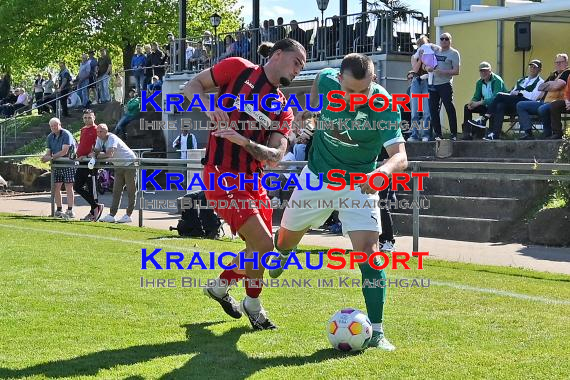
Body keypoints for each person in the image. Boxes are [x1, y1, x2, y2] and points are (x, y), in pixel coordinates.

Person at [272, 53, 408, 351]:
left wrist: (382, 172)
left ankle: (378, 332)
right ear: (339, 82)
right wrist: (312, 114)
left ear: (374, 80)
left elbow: (401, 156)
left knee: (369, 255)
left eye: (363, 91)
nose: (355, 98)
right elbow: (314, 95)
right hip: (317, 177)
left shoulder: (383, 106)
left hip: (359, 184)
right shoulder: (325, 79)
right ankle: (282, 249)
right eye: (349, 91)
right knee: (285, 239)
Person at [183, 38, 306, 330]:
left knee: (258, 248)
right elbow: (191, 87)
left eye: (302, 66)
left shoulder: (283, 109)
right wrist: (209, 108)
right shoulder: (238, 68)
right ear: (277, 55)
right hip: (220, 176)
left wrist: (243, 140)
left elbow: (276, 156)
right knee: (264, 245)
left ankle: (225, 289)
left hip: (253, 182)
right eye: (296, 62)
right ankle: (252, 304)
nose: (299, 69)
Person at [469, 60, 544, 141]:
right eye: (531, 67)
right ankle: (495, 134)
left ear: (540, 70)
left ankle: (484, 119)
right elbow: (513, 91)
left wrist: (520, 92)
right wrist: (514, 93)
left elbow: (534, 97)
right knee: (500, 105)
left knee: (499, 95)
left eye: (535, 68)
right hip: (515, 101)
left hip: (526, 103)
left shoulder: (540, 82)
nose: (532, 69)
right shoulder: (522, 80)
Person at [516, 53, 570, 139]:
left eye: (561, 62)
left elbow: (558, 86)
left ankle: (547, 133)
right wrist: (551, 83)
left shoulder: (567, 72)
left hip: (556, 101)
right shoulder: (554, 74)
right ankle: (528, 133)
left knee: (542, 109)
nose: (558, 64)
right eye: (556, 62)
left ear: (566, 63)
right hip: (543, 101)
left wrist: (550, 85)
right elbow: (540, 87)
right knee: (520, 105)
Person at [94, 124, 138, 224]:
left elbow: (109, 154)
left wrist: (96, 156)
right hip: (118, 165)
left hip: (129, 163)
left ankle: (128, 215)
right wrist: (95, 154)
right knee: (116, 191)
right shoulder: (99, 139)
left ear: (106, 131)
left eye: (101, 132)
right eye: (97, 132)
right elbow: (95, 151)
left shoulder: (112, 138)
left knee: (131, 190)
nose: (99, 134)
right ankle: (112, 215)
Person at [41, 117, 77, 219]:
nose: (54, 128)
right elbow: (48, 152)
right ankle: (59, 209)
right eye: (52, 126)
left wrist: (50, 157)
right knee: (56, 187)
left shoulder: (66, 134)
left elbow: (64, 151)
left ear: (60, 125)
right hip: (57, 164)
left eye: (55, 125)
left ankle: (70, 210)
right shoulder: (50, 137)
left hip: (68, 163)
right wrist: (46, 157)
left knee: (69, 186)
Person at [461, 61, 507, 140]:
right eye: (481, 71)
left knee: (497, 106)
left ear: (490, 71)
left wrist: (479, 103)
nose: (483, 73)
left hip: (499, 106)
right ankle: (467, 133)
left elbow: (496, 98)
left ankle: (492, 133)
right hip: (486, 105)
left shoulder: (497, 80)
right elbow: (477, 96)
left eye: (485, 71)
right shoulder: (479, 82)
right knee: (467, 107)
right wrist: (472, 103)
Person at [428, 32, 460, 140]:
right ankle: (437, 134)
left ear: (450, 40)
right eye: (442, 39)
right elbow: (428, 63)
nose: (444, 41)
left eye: (446, 39)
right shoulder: (436, 51)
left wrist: (443, 72)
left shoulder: (454, 53)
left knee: (449, 108)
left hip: (445, 84)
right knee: (433, 109)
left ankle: (454, 134)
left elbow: (456, 71)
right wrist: (428, 68)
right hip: (433, 84)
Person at [74, 109, 104, 221]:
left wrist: (87, 155)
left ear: (94, 118)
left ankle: (94, 211)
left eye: (89, 117)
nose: (87, 119)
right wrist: (78, 154)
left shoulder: (97, 130)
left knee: (92, 188)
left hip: (90, 163)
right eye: (85, 117)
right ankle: (95, 207)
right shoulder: (82, 129)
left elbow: (97, 147)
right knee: (77, 186)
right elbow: (82, 144)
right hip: (81, 162)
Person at [408, 35, 432, 142]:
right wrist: (420, 58)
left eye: (424, 44)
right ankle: (414, 135)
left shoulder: (431, 55)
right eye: (420, 45)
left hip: (427, 82)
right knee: (415, 111)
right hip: (416, 82)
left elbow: (431, 67)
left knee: (427, 111)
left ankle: (426, 134)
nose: (422, 47)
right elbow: (415, 69)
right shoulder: (414, 56)